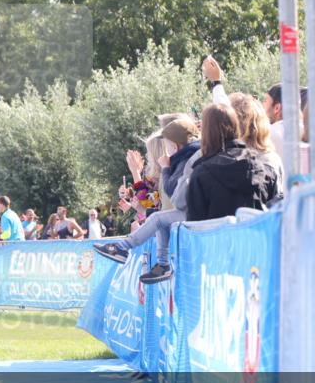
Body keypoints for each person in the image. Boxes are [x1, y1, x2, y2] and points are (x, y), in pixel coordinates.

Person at [94, 114, 202, 283]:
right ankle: (162, 264)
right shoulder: (179, 161)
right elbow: (150, 201)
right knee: (158, 218)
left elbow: (162, 198)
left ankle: (124, 249)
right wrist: (133, 191)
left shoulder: (180, 163)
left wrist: (146, 172)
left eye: (149, 152)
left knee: (157, 218)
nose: (149, 157)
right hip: (185, 216)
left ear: (172, 146)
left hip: (193, 216)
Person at [186, 103, 281, 222]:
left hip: (218, 234)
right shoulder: (262, 167)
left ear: (206, 132)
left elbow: (194, 225)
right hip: (255, 233)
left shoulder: (200, 175)